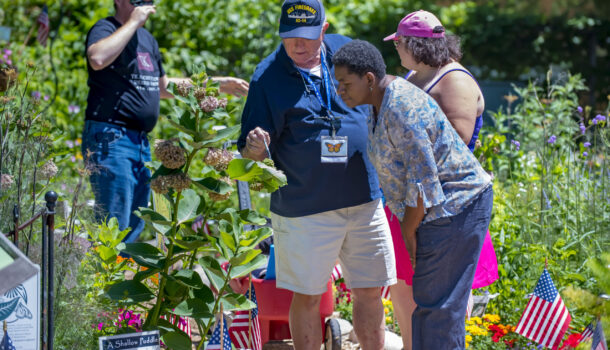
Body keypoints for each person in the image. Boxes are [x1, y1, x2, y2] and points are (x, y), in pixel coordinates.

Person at [238, 1, 396, 349]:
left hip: (364, 202)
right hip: (304, 209)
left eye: (307, 37)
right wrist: (256, 147)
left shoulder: (348, 51)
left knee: (370, 291)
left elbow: (384, 92)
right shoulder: (267, 77)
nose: (298, 45)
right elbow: (247, 151)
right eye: (290, 36)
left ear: (324, 30)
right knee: (308, 297)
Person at [333, 39, 493, 350]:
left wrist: (409, 231)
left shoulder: (402, 106)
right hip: (433, 211)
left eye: (345, 83)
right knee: (428, 307)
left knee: (439, 309)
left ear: (368, 79)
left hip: (457, 207)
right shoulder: (376, 103)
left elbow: (423, 179)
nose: (340, 90)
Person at [83, 0, 249, 243]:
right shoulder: (105, 28)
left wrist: (217, 84)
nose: (146, 5)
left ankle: (118, 276)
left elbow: (163, 87)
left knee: (133, 223)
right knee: (113, 222)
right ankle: (103, 278)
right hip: (111, 136)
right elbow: (97, 58)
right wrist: (133, 22)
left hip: (139, 142)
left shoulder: (148, 40)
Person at [381, 10, 500, 349]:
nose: (396, 50)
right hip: (410, 201)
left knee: (443, 300)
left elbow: (452, 149)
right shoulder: (415, 73)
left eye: (398, 43)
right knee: (405, 285)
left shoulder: (454, 81)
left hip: (445, 207)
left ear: (412, 44)